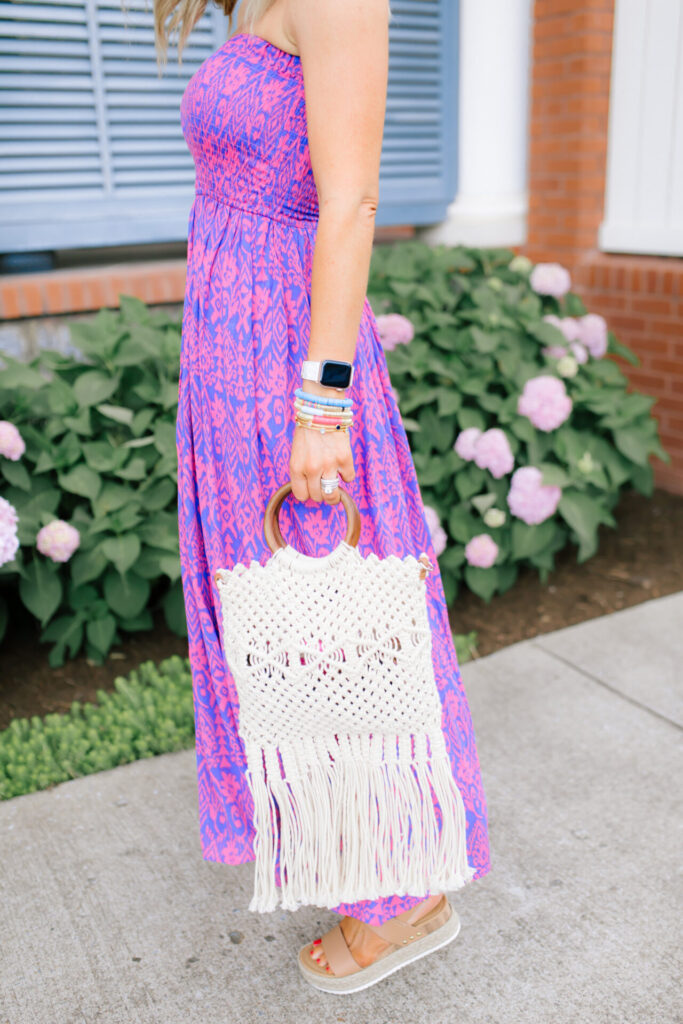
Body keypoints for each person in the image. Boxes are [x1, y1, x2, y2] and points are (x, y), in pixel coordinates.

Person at [160, 0, 491, 993]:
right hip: (229, 344)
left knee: (336, 626)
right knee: (277, 627)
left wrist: (320, 407)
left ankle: (406, 895)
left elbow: (349, 202)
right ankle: (345, 850)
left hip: (282, 349)